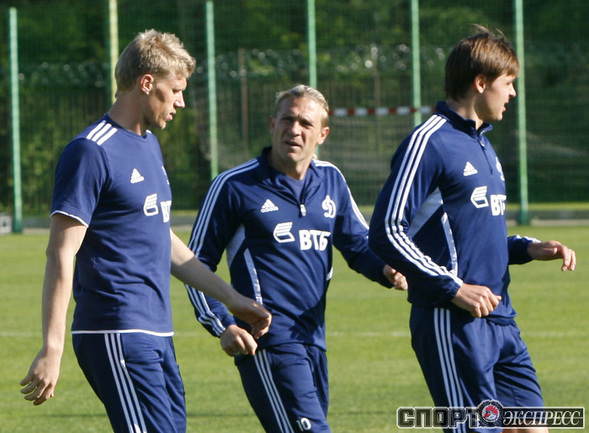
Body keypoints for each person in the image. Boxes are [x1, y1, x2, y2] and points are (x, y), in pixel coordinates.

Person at [19, 29, 271, 433]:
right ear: (147, 83)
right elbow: (60, 252)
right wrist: (53, 346)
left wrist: (233, 300)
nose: (181, 102)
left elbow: (161, 239)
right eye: (176, 90)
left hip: (157, 332)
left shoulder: (149, 145)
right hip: (115, 330)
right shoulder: (90, 150)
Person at [368, 26, 576, 433]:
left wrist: (529, 248)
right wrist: (454, 288)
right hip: (451, 321)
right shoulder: (428, 142)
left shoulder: (483, 144)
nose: (512, 94)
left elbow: (474, 236)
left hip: (500, 317)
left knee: (532, 427)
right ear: (481, 83)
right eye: (508, 83)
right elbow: (386, 231)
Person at [184, 84, 407, 432]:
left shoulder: (331, 179)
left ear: (322, 135)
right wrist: (222, 323)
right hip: (267, 340)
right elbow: (193, 262)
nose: (295, 130)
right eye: (287, 120)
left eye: (306, 123)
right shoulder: (234, 185)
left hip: (313, 338)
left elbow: (357, 244)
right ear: (273, 124)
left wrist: (386, 268)